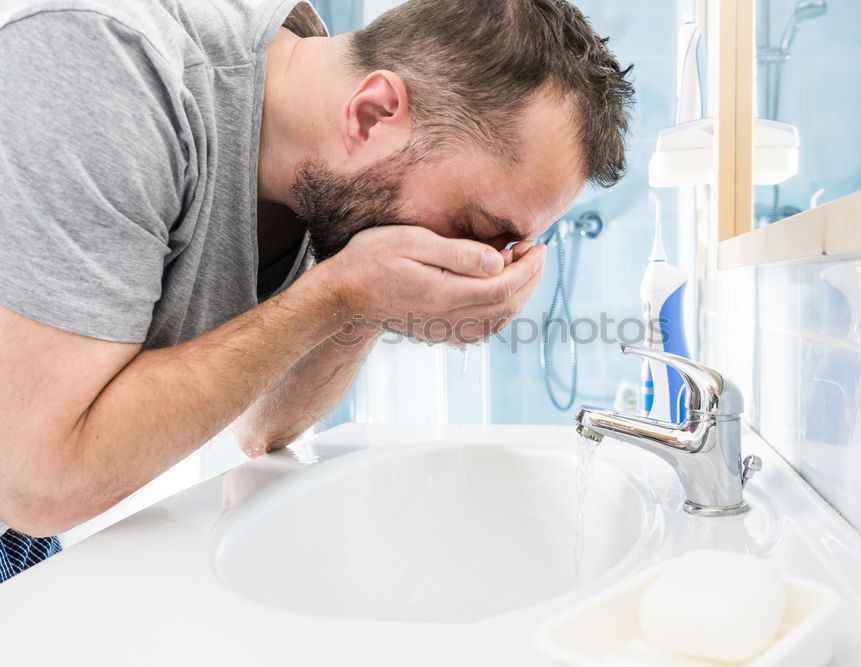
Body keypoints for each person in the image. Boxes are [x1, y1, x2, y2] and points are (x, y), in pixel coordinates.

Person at [0, 0, 633, 580]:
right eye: (477, 229)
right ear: (373, 113)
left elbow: (264, 426)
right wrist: (336, 293)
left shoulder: (322, 170)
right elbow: (37, 482)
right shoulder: (110, 70)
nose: (482, 263)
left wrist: (366, 298)